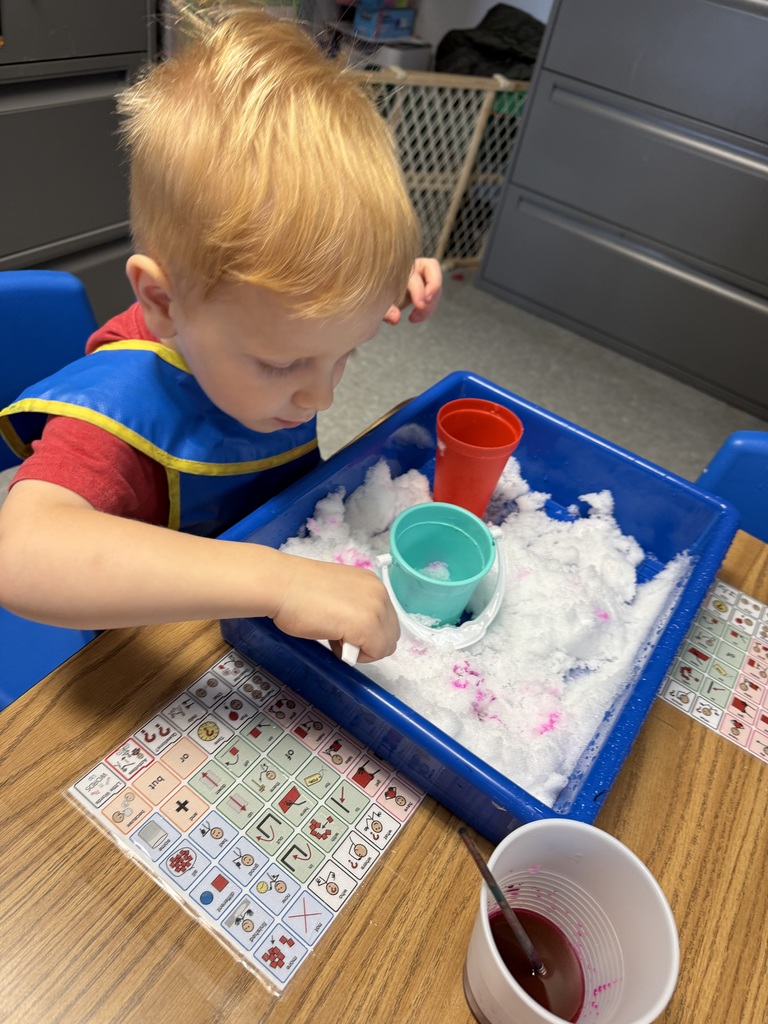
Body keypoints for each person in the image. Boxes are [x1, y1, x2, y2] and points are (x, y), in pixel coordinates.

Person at [0, 3, 442, 663]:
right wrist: (279, 582)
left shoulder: (267, 327)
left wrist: (372, 287)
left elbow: (305, 318)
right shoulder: (116, 415)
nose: (319, 397)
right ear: (161, 302)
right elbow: (23, 555)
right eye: (280, 364)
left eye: (344, 354)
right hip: (160, 655)